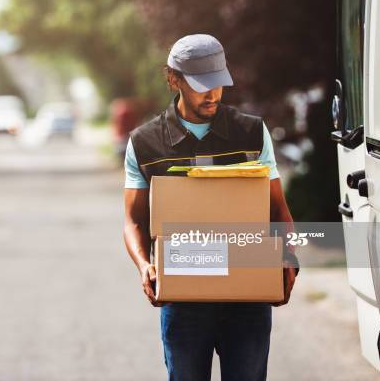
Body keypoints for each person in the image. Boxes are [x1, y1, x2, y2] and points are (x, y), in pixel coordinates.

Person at [123, 34, 299, 381]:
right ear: (173, 78)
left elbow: (277, 209)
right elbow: (133, 220)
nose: (213, 94)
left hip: (248, 298)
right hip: (183, 302)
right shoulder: (145, 143)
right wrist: (144, 266)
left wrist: (288, 257)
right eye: (201, 84)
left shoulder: (251, 133)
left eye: (218, 83)